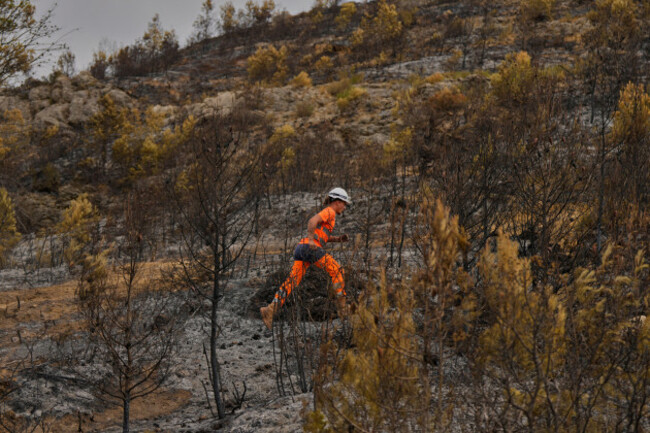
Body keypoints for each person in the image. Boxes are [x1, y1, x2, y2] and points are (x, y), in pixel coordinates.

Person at [260, 188, 352, 330]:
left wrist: (339, 239)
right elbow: (312, 221)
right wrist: (310, 240)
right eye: (344, 204)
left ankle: (270, 309)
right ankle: (343, 308)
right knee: (337, 270)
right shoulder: (330, 211)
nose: (345, 207)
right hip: (309, 248)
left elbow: (321, 236)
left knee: (292, 281)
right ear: (337, 202)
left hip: (301, 249)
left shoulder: (330, 216)